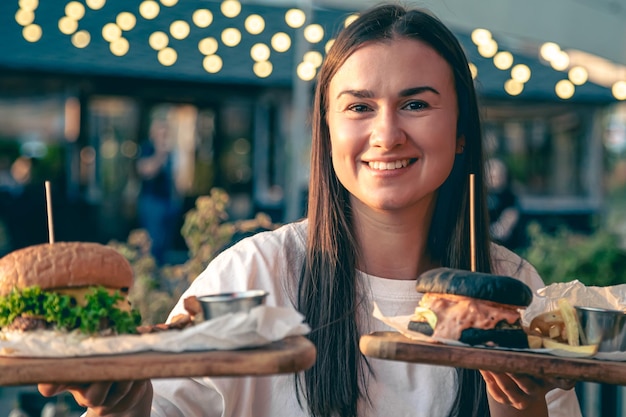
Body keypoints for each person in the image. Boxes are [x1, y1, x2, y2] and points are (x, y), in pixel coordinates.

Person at [38, 4, 582, 417]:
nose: (387, 134)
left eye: (416, 104)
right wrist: (119, 400)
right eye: (360, 107)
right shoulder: (254, 276)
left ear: (461, 133)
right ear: (326, 131)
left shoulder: (513, 289)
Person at [135, 119, 182, 265]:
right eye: (160, 133)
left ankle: (160, 270)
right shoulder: (147, 148)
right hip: (151, 202)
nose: (163, 137)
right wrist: (160, 155)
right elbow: (146, 171)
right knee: (152, 241)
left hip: (167, 202)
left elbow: (175, 178)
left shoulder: (171, 153)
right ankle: (149, 270)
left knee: (164, 242)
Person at [486, 157, 524, 249]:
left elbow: (511, 215)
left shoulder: (510, 196)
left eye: (500, 176)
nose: (497, 180)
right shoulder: (479, 195)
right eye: (493, 177)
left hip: (505, 244)